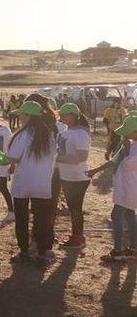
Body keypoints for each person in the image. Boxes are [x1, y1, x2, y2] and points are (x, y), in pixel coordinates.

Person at [7, 100, 58, 264]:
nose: (20, 117)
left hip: (23, 182)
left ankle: (24, 251)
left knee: (21, 219)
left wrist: (3, 159)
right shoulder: (48, 134)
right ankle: (42, 253)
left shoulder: (22, 135)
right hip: (43, 183)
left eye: (22, 114)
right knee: (41, 220)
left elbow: (13, 157)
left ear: (28, 116)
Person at [87, 115, 137, 262]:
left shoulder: (131, 146)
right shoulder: (130, 143)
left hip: (130, 188)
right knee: (130, 216)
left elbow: (129, 164)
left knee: (116, 215)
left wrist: (127, 148)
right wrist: (95, 170)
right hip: (125, 187)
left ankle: (118, 251)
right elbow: (114, 161)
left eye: (128, 132)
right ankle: (133, 249)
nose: (124, 135)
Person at [56, 102, 92, 250]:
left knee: (75, 208)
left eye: (63, 114)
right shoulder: (67, 131)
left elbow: (82, 156)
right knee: (73, 208)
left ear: (72, 116)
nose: (61, 116)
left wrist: (58, 158)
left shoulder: (80, 133)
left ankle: (78, 238)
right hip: (68, 176)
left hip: (77, 177)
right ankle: (77, 236)